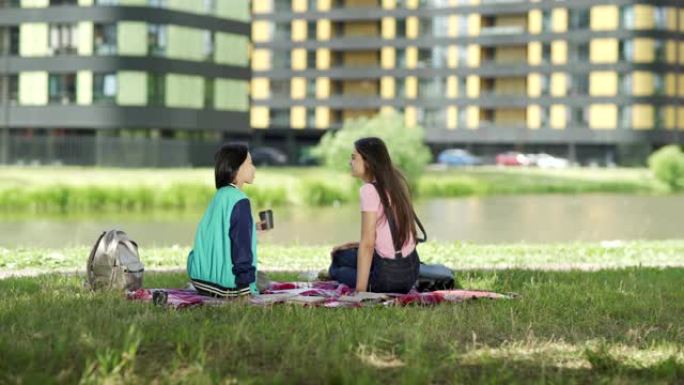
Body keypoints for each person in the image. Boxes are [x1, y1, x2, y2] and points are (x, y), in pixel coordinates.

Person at [328, 137, 423, 293]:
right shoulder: (396, 183)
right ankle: (345, 261)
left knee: (338, 269)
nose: (350, 163)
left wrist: (360, 292)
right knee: (340, 254)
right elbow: (388, 234)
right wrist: (353, 245)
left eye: (353, 158)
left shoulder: (369, 191)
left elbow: (368, 244)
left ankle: (336, 272)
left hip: (387, 279)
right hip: (411, 270)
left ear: (368, 161)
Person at [187, 142, 265, 297]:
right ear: (237, 169)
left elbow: (221, 230)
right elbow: (241, 246)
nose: (254, 168)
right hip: (226, 286)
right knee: (262, 280)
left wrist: (253, 228)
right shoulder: (240, 200)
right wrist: (245, 287)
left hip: (200, 279)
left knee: (262, 278)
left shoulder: (220, 195)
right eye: (249, 163)